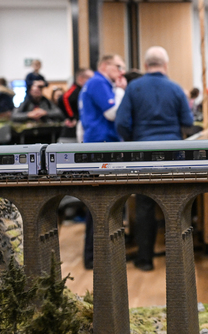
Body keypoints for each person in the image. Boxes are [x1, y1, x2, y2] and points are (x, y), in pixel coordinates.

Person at [115, 46, 193, 271]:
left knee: (144, 205)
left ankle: (145, 259)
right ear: (166, 65)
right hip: (173, 153)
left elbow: (121, 122)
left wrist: (134, 141)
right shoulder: (176, 88)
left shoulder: (134, 88)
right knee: (176, 204)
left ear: (146, 64)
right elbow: (188, 121)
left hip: (143, 153)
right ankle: (178, 260)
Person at [79, 54, 127, 269]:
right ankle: (94, 257)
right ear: (104, 65)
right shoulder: (99, 82)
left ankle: (96, 255)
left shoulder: (95, 83)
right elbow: (112, 113)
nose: (121, 72)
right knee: (100, 202)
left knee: (100, 202)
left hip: (98, 144)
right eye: (118, 66)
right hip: (102, 146)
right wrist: (120, 90)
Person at [57, 68, 94, 140]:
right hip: (72, 131)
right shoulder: (75, 90)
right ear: (80, 78)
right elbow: (64, 99)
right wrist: (71, 117)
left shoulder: (85, 91)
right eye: (89, 78)